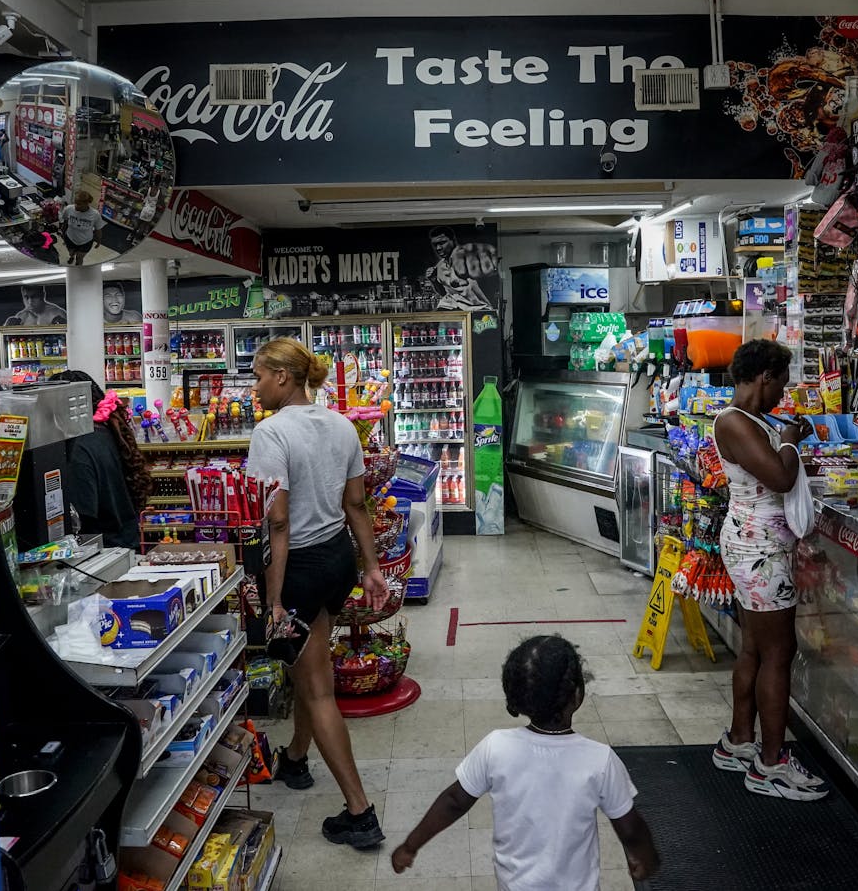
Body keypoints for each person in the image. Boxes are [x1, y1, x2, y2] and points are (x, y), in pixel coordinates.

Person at [245, 337, 390, 849]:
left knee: (316, 688)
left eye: (259, 375)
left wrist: (275, 598)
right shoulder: (342, 425)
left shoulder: (270, 433)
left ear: (283, 377)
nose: (254, 385)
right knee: (312, 666)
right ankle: (296, 759)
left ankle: (360, 812)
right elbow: (356, 505)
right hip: (337, 557)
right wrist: (371, 568)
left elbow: (277, 522)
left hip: (299, 564)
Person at [391, 636, 658, 889]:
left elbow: (454, 801)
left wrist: (410, 846)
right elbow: (630, 828)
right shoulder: (600, 760)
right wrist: (646, 857)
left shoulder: (496, 747)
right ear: (577, 695)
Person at [707, 339, 828, 801]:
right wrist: (792, 445)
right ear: (765, 378)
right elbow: (780, 478)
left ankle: (739, 740)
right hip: (759, 552)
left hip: (753, 546)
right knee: (779, 652)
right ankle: (772, 764)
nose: (783, 391)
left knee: (755, 648)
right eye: (781, 381)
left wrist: (786, 444)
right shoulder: (736, 423)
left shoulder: (748, 421)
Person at [47, 371, 149, 550]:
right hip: (126, 542)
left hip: (102, 551)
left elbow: (82, 516)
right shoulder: (109, 432)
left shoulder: (79, 448)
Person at [60, 190, 106, 265]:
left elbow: (98, 229)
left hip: (85, 241)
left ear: (87, 203)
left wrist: (99, 240)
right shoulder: (68, 209)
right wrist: (63, 233)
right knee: (71, 253)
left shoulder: (95, 214)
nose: (76, 206)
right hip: (70, 238)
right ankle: (72, 257)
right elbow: (65, 222)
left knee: (80, 257)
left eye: (79, 204)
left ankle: (78, 267)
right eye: (75, 203)